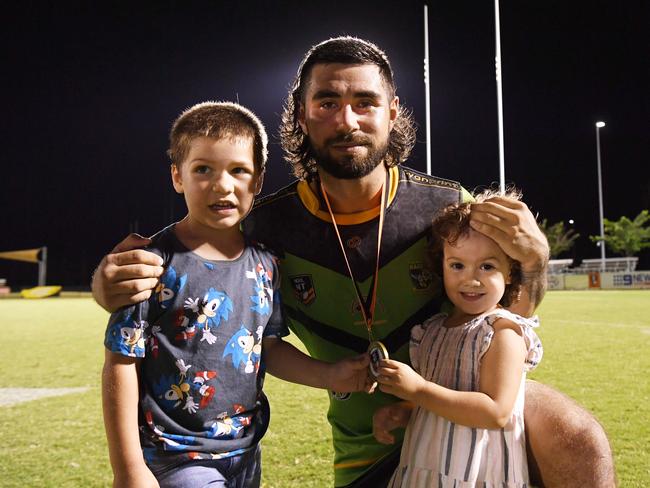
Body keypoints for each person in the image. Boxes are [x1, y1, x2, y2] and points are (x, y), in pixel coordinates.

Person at [93, 38, 615, 487]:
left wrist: (536, 259)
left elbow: (511, 309)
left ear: (392, 111)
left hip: (461, 407)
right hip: (365, 443)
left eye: (365, 102)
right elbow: (186, 259)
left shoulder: (448, 207)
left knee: (578, 438)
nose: (347, 120)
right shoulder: (264, 228)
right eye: (327, 102)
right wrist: (105, 284)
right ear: (301, 114)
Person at [101, 101, 374, 488]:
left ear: (258, 181)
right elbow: (120, 362)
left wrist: (330, 374)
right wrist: (127, 468)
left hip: (245, 454)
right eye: (203, 169)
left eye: (239, 170)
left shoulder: (265, 263)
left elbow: (267, 347)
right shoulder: (151, 263)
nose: (222, 185)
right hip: (174, 456)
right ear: (178, 176)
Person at [373, 191, 543, 487]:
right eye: (457, 265)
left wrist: (419, 390)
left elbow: (495, 412)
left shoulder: (502, 332)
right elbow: (444, 396)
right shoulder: (433, 329)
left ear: (510, 272)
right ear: (442, 266)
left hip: (476, 472)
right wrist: (406, 410)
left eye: (487, 266)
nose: (470, 279)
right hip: (426, 464)